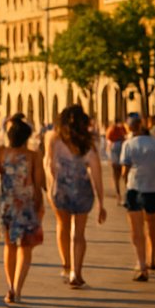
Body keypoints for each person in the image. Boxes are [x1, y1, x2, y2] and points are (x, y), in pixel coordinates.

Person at [44, 104, 107, 288]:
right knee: (79, 234)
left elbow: (49, 165)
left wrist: (52, 186)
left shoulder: (54, 139)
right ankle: (76, 274)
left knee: (62, 226)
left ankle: (66, 265)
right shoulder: (89, 143)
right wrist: (101, 202)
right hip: (82, 191)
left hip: (61, 189)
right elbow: (96, 174)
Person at [0, 114, 45, 303]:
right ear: (27, 137)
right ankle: (17, 289)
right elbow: (38, 183)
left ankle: (9, 286)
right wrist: (39, 207)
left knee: (9, 246)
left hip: (7, 205)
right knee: (25, 248)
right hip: (26, 206)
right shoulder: (33, 156)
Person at [120, 113, 155, 281]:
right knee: (152, 226)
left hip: (135, 188)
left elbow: (124, 169)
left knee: (136, 229)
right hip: (154, 189)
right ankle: (152, 257)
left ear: (130, 127)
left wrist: (124, 182)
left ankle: (141, 265)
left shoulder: (128, 144)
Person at [107, 117, 133, 204]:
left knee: (117, 176)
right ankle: (125, 195)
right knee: (124, 175)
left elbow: (108, 139)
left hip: (115, 150)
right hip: (120, 148)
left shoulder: (112, 129)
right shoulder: (121, 128)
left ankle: (119, 195)